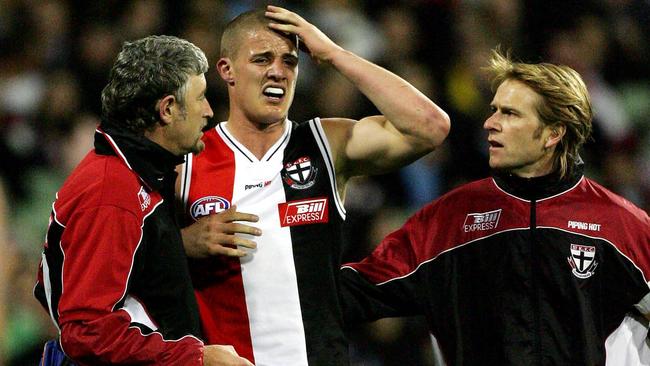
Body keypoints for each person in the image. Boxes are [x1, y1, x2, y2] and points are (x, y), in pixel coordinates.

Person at [178, 5, 450, 365]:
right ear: (227, 70)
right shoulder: (186, 159)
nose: (278, 71)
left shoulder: (326, 143)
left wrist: (335, 54)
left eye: (289, 61)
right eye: (262, 59)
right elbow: (124, 259)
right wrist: (183, 243)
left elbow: (430, 126)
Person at [340, 49, 650, 365]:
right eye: (494, 110)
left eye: (510, 113)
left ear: (553, 133)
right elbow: (350, 293)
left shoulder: (622, 225)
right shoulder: (451, 219)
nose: (490, 123)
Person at [34, 35, 252, 366]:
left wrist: (177, 245)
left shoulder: (139, 173)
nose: (209, 111)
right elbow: (86, 330)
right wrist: (197, 358)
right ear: (167, 109)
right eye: (201, 98)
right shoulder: (112, 193)